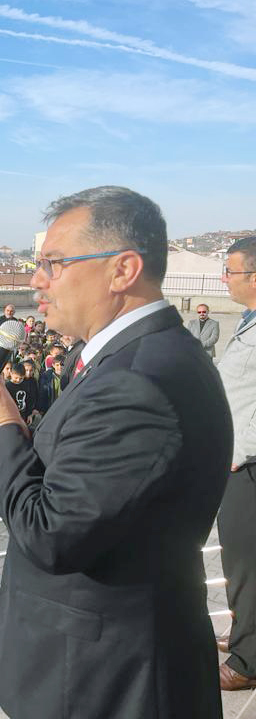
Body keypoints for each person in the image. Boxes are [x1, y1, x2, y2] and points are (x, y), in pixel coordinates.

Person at [0, 186, 230, 717]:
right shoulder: (139, 358)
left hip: (102, 683)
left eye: (53, 264)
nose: (37, 280)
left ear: (122, 270)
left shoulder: (137, 381)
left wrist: (0, 432)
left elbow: (53, 535)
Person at [214, 235, 256, 690]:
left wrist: (238, 453)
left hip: (248, 466)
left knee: (248, 564)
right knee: (238, 561)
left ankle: (248, 662)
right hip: (237, 462)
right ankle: (246, 632)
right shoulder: (249, 319)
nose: (224, 278)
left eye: (231, 271)